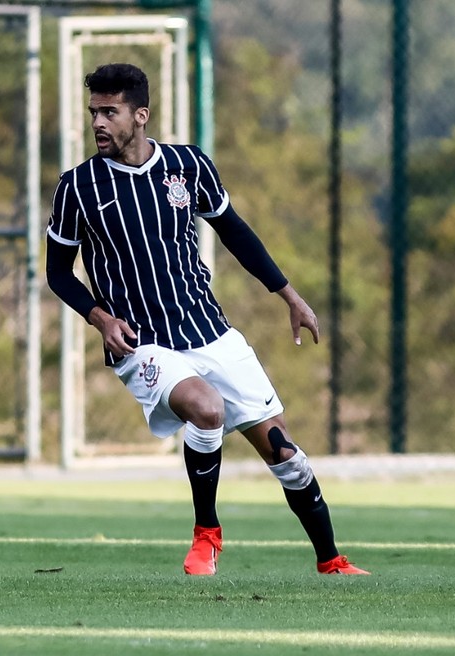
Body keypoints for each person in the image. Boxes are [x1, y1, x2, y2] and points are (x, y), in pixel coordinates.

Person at [45, 63, 369, 576]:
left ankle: (331, 560)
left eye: (110, 112)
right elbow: (57, 273)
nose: (99, 123)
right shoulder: (77, 188)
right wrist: (99, 318)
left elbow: (235, 232)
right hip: (141, 342)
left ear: (141, 115)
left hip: (209, 330)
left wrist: (289, 296)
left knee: (285, 453)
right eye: (93, 113)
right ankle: (207, 534)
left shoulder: (188, 167)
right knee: (207, 409)